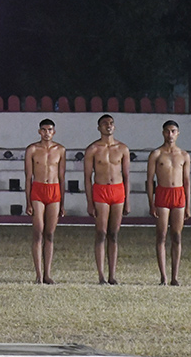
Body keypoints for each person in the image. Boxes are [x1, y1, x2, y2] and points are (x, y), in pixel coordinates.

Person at [83, 114, 130, 285]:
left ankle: (112, 275)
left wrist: (127, 200)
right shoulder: (93, 149)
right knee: (101, 232)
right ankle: (101, 275)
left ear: (114, 127)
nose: (108, 126)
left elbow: (126, 176)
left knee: (114, 234)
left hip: (118, 191)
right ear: (99, 128)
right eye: (104, 124)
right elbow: (87, 177)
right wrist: (89, 202)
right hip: (101, 190)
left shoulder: (123, 148)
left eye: (110, 123)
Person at [146, 120, 191, 285]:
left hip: (178, 195)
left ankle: (175, 276)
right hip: (163, 194)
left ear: (178, 133)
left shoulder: (184, 155)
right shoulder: (157, 154)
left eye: (173, 131)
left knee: (177, 236)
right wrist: (151, 202)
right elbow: (150, 180)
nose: (170, 134)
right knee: (162, 235)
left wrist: (188, 205)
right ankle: (163, 276)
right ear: (163, 133)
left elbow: (186, 181)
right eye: (167, 131)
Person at [24, 118, 65, 284]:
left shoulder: (60, 150)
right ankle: (38, 275)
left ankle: (47, 273)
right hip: (38, 189)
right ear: (39, 132)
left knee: (49, 233)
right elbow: (28, 177)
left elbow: (62, 177)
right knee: (38, 231)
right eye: (44, 130)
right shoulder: (32, 149)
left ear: (53, 132)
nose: (47, 133)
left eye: (50, 130)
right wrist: (28, 201)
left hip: (54, 190)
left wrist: (62, 203)